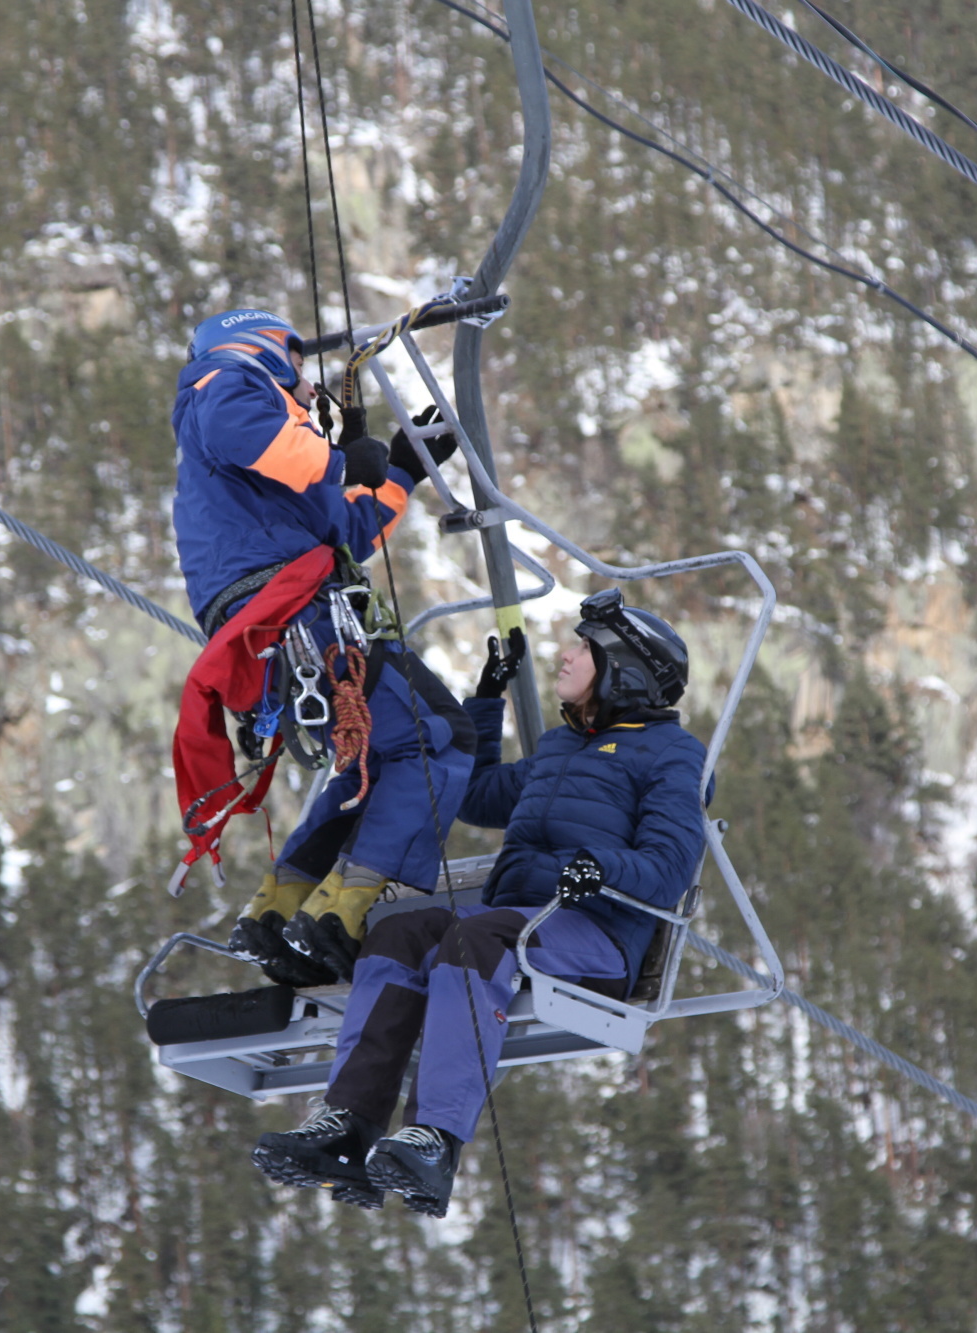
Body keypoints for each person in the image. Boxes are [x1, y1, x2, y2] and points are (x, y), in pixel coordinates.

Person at [251, 589, 706, 1216]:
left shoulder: (671, 755)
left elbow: (670, 862)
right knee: (399, 934)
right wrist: (487, 699)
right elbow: (480, 796)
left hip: (594, 933)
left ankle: (435, 1137)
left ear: (623, 669)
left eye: (584, 648)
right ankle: (348, 1126)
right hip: (516, 922)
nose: (565, 657)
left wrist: (599, 869)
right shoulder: (559, 748)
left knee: (474, 939)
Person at [170, 308, 475, 986]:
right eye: (301, 373)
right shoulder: (223, 384)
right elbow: (266, 440)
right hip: (294, 614)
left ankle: (278, 914)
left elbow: (353, 531)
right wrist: (339, 455)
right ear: (265, 351)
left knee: (370, 762)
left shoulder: (267, 471)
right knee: (437, 739)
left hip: (290, 616)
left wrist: (399, 468)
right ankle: (345, 914)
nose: (309, 391)